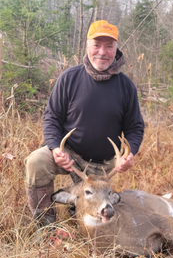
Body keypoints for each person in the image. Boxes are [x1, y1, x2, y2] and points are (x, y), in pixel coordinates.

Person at [25, 20, 145, 227]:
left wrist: (128, 153)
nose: (102, 52)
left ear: (116, 49)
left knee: (95, 223)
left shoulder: (126, 86)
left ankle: (76, 209)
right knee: (36, 162)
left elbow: (135, 127)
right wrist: (55, 149)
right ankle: (44, 226)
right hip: (70, 155)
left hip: (104, 164)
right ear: (87, 46)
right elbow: (52, 117)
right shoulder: (69, 78)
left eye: (109, 46)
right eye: (96, 45)